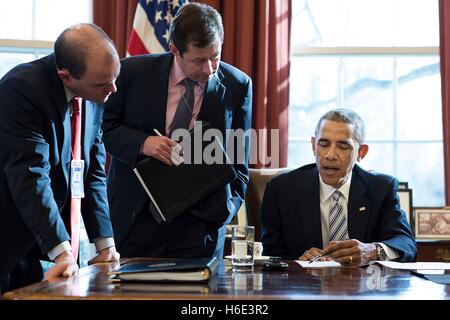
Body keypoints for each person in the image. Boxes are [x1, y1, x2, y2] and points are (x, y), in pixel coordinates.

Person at [102, 3, 252, 259]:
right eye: (199, 60)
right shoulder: (131, 73)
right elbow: (104, 130)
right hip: (136, 218)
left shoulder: (239, 85)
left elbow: (239, 163)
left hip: (200, 227)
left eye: (215, 56)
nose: (209, 69)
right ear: (174, 50)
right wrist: (143, 143)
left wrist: (225, 210)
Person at [0, 23, 121, 293]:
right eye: (103, 84)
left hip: (61, 244)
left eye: (115, 78)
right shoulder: (21, 89)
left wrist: (106, 244)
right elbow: (31, 176)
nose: (112, 89)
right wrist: (62, 252)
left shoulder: (96, 89)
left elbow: (93, 173)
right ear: (65, 77)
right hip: (13, 243)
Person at [261, 108, 416, 265]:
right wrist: (297, 262)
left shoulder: (381, 189)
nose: (330, 155)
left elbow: (406, 244)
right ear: (314, 146)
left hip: (364, 285)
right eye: (323, 144)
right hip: (306, 286)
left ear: (361, 152)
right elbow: (271, 255)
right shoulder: (281, 190)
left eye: (342, 146)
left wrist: (372, 251)